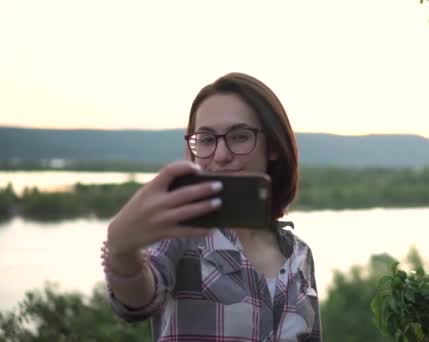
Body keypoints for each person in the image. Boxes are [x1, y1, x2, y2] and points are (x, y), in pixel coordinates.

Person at [101, 72, 322, 341]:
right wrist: (122, 251)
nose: (220, 155)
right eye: (206, 139)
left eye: (239, 137)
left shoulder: (299, 255)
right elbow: (137, 300)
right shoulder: (181, 233)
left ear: (273, 145)